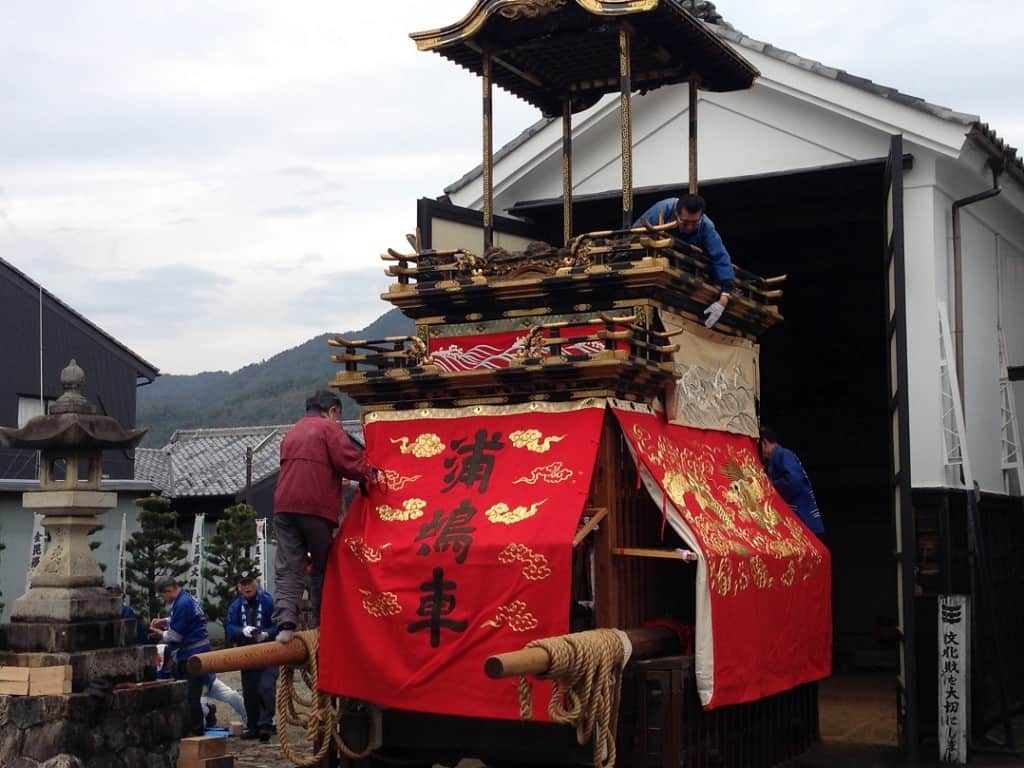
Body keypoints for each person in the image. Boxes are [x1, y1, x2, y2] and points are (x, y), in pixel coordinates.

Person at [273, 389, 379, 642]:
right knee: (324, 566)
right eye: (338, 416)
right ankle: (323, 623)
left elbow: (309, 471)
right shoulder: (328, 429)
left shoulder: (292, 431)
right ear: (332, 411)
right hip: (315, 509)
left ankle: (286, 622)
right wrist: (373, 473)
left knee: (289, 566)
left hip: (283, 506)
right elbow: (348, 462)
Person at [633, 194, 735, 329]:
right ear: (676, 213)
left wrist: (723, 299)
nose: (689, 228)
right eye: (685, 222)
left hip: (681, 265)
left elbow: (720, 258)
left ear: (701, 217)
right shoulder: (663, 209)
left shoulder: (706, 225)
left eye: (694, 223)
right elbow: (633, 235)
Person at [149, 575, 211, 735]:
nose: (163, 599)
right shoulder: (186, 598)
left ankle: (196, 731)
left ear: (168, 591)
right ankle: (196, 728)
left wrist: (160, 634)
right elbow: (184, 620)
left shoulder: (182, 604)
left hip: (192, 654)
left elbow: (176, 636)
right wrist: (165, 621)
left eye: (163, 596)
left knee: (191, 696)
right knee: (193, 694)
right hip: (198, 651)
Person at [226, 570, 278, 741]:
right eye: (243, 584)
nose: (247, 587)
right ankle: (253, 725)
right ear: (239, 587)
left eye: (249, 583)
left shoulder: (268, 601)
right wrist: (242, 630)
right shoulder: (235, 606)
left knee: (266, 687)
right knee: (249, 691)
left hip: (267, 651)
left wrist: (265, 634)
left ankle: (265, 725)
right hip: (246, 653)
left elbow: (277, 626)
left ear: (256, 583)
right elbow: (229, 630)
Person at [759, 426, 826, 543]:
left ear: (764, 443)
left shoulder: (783, 454)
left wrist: (770, 485)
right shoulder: (776, 458)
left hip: (805, 520)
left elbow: (794, 481)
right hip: (804, 522)